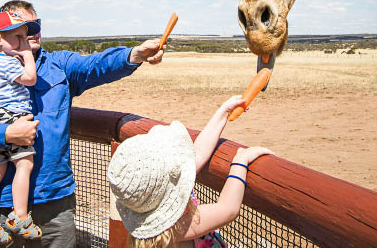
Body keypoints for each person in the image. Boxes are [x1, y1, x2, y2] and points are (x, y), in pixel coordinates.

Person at [0, 0, 167, 248]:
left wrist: (133, 54)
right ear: (2, 37)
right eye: (22, 29)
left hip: (53, 203)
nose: (32, 33)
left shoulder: (58, 66)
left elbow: (95, 65)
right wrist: (7, 133)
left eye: (35, 25)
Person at [107, 96, 274, 248]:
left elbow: (197, 155)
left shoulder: (147, 217)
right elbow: (228, 209)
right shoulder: (181, 225)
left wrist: (223, 113)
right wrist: (240, 163)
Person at [0, 6, 43, 245]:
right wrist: (27, 56)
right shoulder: (9, 63)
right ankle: (20, 217)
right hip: (12, 118)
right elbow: (30, 79)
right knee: (24, 164)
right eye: (19, 37)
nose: (24, 42)